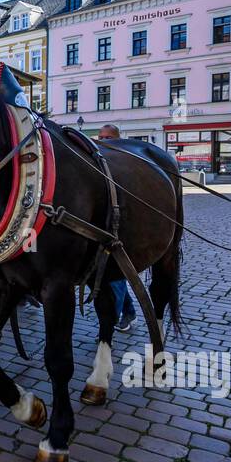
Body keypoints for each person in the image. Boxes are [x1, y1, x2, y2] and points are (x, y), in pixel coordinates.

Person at [95, 123, 137, 332]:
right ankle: (129, 312)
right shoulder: (99, 161)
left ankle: (111, 322)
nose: (102, 142)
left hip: (120, 231)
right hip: (102, 229)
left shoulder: (124, 163)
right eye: (100, 138)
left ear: (118, 139)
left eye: (108, 138)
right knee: (114, 277)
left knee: (115, 277)